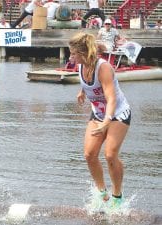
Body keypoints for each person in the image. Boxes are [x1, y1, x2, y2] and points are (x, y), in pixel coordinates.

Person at [69, 32, 131, 210]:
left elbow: (111, 98)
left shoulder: (103, 68)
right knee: (89, 154)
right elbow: (88, 82)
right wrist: (82, 91)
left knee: (110, 155)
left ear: (84, 53)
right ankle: (102, 193)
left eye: (74, 54)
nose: (70, 57)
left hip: (118, 113)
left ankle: (117, 196)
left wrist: (107, 121)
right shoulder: (81, 66)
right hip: (98, 113)